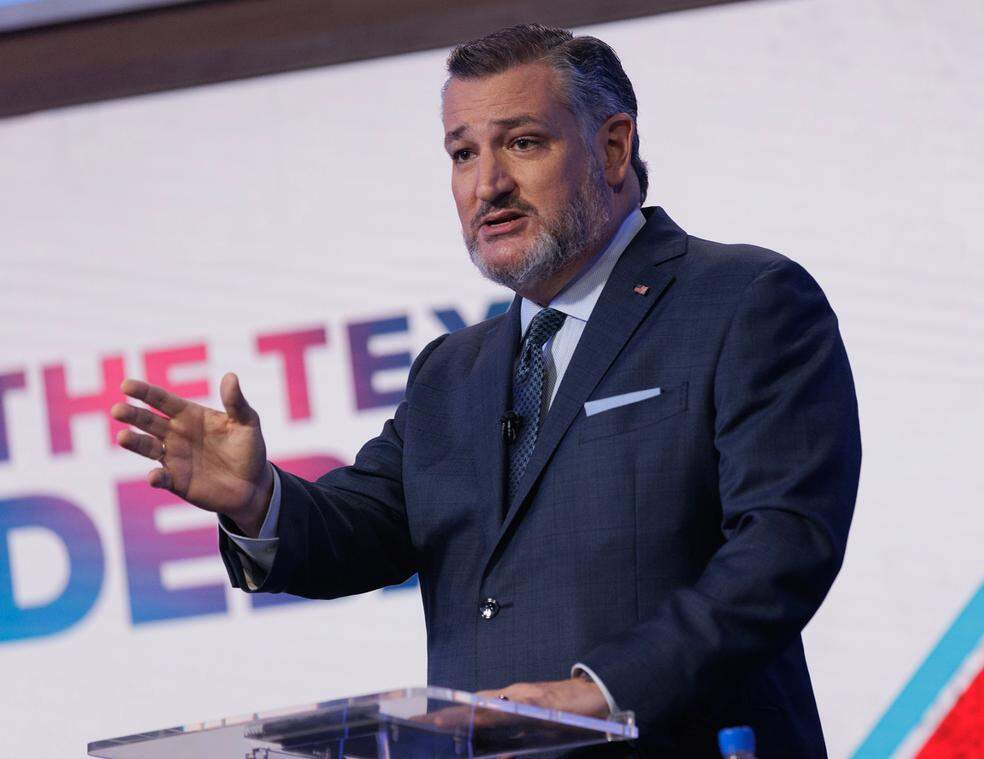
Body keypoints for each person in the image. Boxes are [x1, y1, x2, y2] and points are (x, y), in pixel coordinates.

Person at [111, 24, 860, 756]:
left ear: (612, 147)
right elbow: (363, 529)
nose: (487, 183)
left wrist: (600, 689)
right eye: (463, 153)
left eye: (523, 142)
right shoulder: (450, 371)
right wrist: (257, 498)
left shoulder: (744, 300)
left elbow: (783, 545)